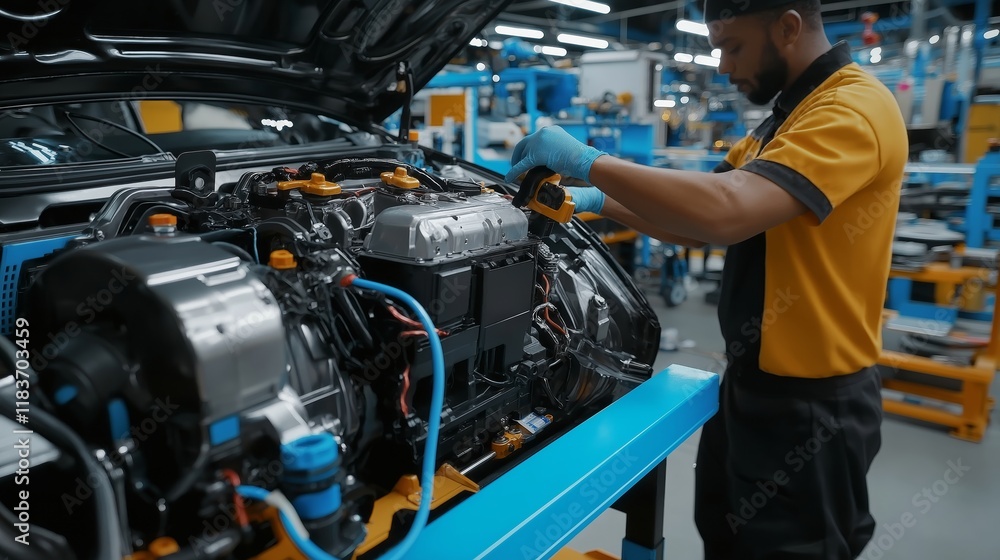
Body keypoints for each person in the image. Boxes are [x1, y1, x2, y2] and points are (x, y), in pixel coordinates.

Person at [505, 0, 907, 558]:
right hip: (752, 385)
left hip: (815, 405)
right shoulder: (785, 121)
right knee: (729, 538)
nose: (721, 66)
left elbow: (725, 208)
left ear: (788, 27)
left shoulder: (851, 108)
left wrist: (589, 161)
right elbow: (700, 224)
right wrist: (598, 203)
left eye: (732, 46)